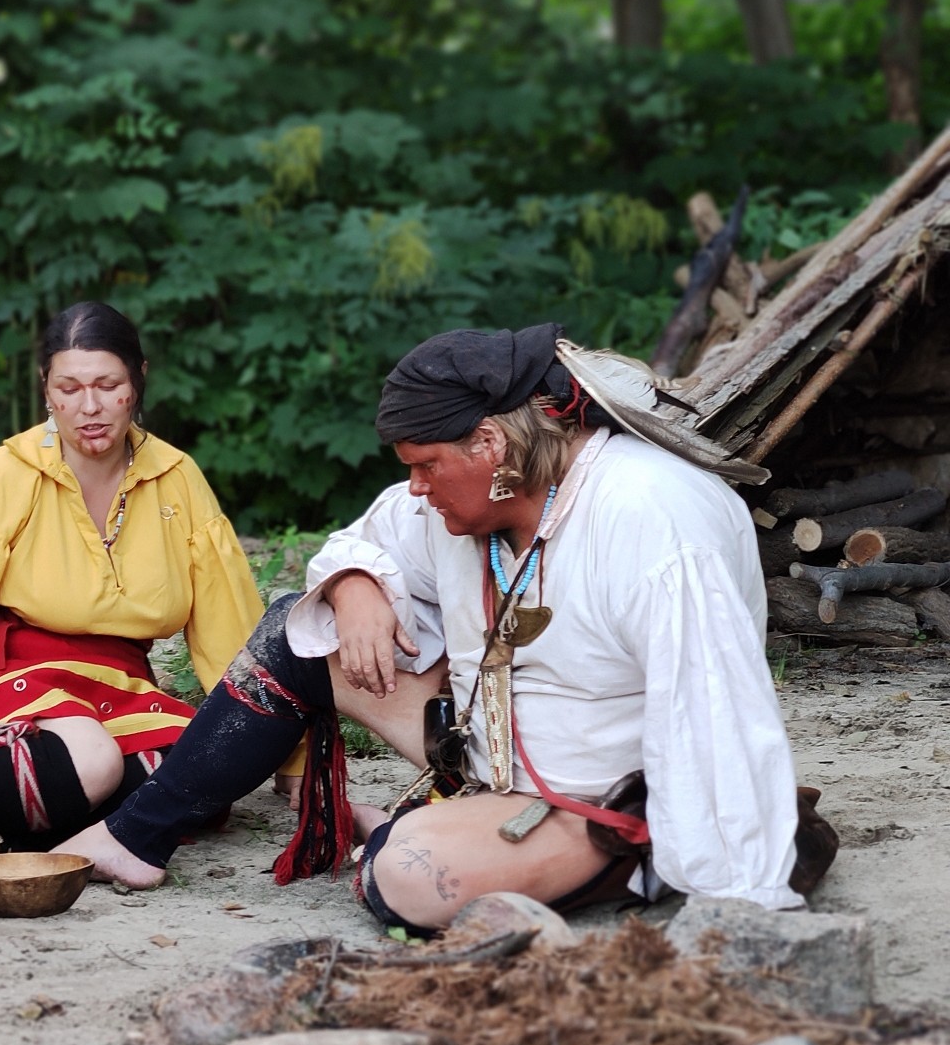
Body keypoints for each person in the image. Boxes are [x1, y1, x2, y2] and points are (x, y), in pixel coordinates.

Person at [59, 323, 836, 925]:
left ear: (492, 445)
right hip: (492, 753)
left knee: (399, 875)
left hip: (599, 799)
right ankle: (136, 836)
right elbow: (363, 536)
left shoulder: (651, 517)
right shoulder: (467, 500)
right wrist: (359, 584)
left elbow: (715, 710)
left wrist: (741, 889)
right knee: (299, 633)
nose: (416, 487)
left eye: (424, 465)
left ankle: (641, 860)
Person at [0, 301, 275, 853]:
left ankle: (6, 825)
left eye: (107, 384)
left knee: (205, 773)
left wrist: (285, 754)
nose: (89, 407)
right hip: (15, 673)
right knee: (92, 760)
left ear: (137, 380)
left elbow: (228, 624)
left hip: (119, 683)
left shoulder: (177, 478)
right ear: (46, 388)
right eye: (68, 388)